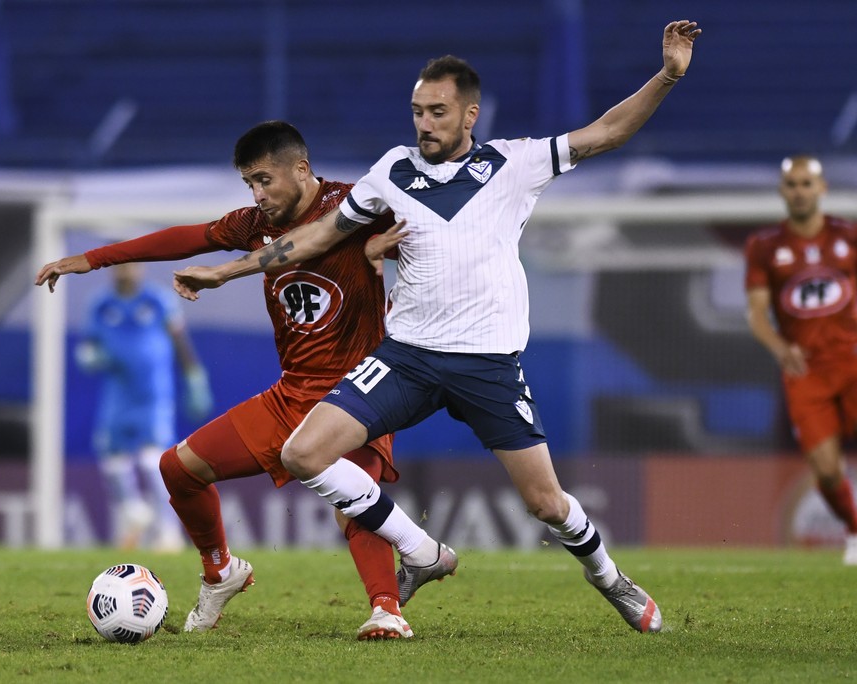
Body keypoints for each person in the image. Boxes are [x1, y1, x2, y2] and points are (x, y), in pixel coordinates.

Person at [171, 20, 703, 634]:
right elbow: (317, 236)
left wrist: (667, 75)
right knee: (303, 452)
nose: (425, 124)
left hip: (488, 364)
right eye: (418, 111)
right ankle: (421, 550)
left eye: (438, 112)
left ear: (470, 113)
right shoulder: (392, 172)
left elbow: (607, 132)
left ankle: (609, 577)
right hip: (407, 359)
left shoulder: (514, 163)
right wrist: (231, 271)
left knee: (546, 504)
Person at [36, 121, 423, 640]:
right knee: (178, 468)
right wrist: (91, 259)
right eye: (249, 185)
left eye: (265, 180)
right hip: (292, 392)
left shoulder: (354, 206)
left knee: (351, 498)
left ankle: (386, 609)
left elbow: (426, 243)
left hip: (358, 391)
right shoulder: (251, 226)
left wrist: (392, 272)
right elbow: (184, 239)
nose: (258, 195)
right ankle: (220, 571)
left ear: (301, 169)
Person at [744, 155, 857, 565]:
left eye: (807, 183)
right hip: (805, 371)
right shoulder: (765, 247)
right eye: (792, 184)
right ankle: (856, 532)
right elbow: (757, 313)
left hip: (851, 360)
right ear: (781, 191)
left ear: (822, 189)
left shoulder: (849, 236)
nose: (799, 191)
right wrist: (780, 348)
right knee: (826, 469)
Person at [76, 261, 214, 552]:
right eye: (120, 267)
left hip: (154, 394)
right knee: (112, 458)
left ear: (140, 268)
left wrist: (194, 377)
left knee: (153, 461)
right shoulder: (101, 304)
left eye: (131, 266)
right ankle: (133, 511)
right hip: (118, 394)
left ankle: (168, 532)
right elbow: (90, 342)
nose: (126, 272)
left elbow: (179, 340)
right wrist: (89, 354)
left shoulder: (158, 299)